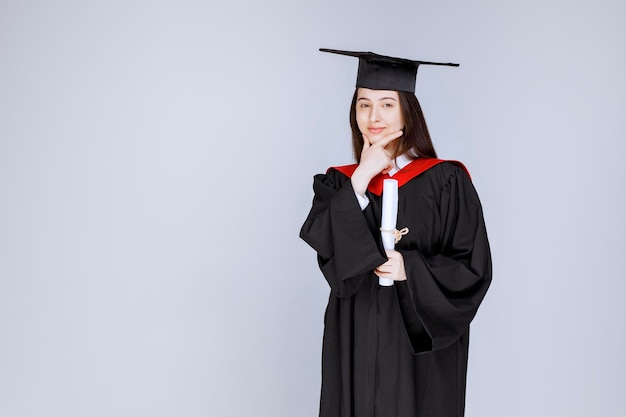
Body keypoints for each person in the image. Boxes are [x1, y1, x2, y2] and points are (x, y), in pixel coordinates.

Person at [300, 48, 492, 417]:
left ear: (407, 109)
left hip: (416, 344)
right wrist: (359, 180)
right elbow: (333, 264)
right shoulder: (338, 183)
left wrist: (411, 269)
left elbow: (473, 269)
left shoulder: (446, 181)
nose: (373, 117)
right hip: (354, 336)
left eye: (387, 104)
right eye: (363, 104)